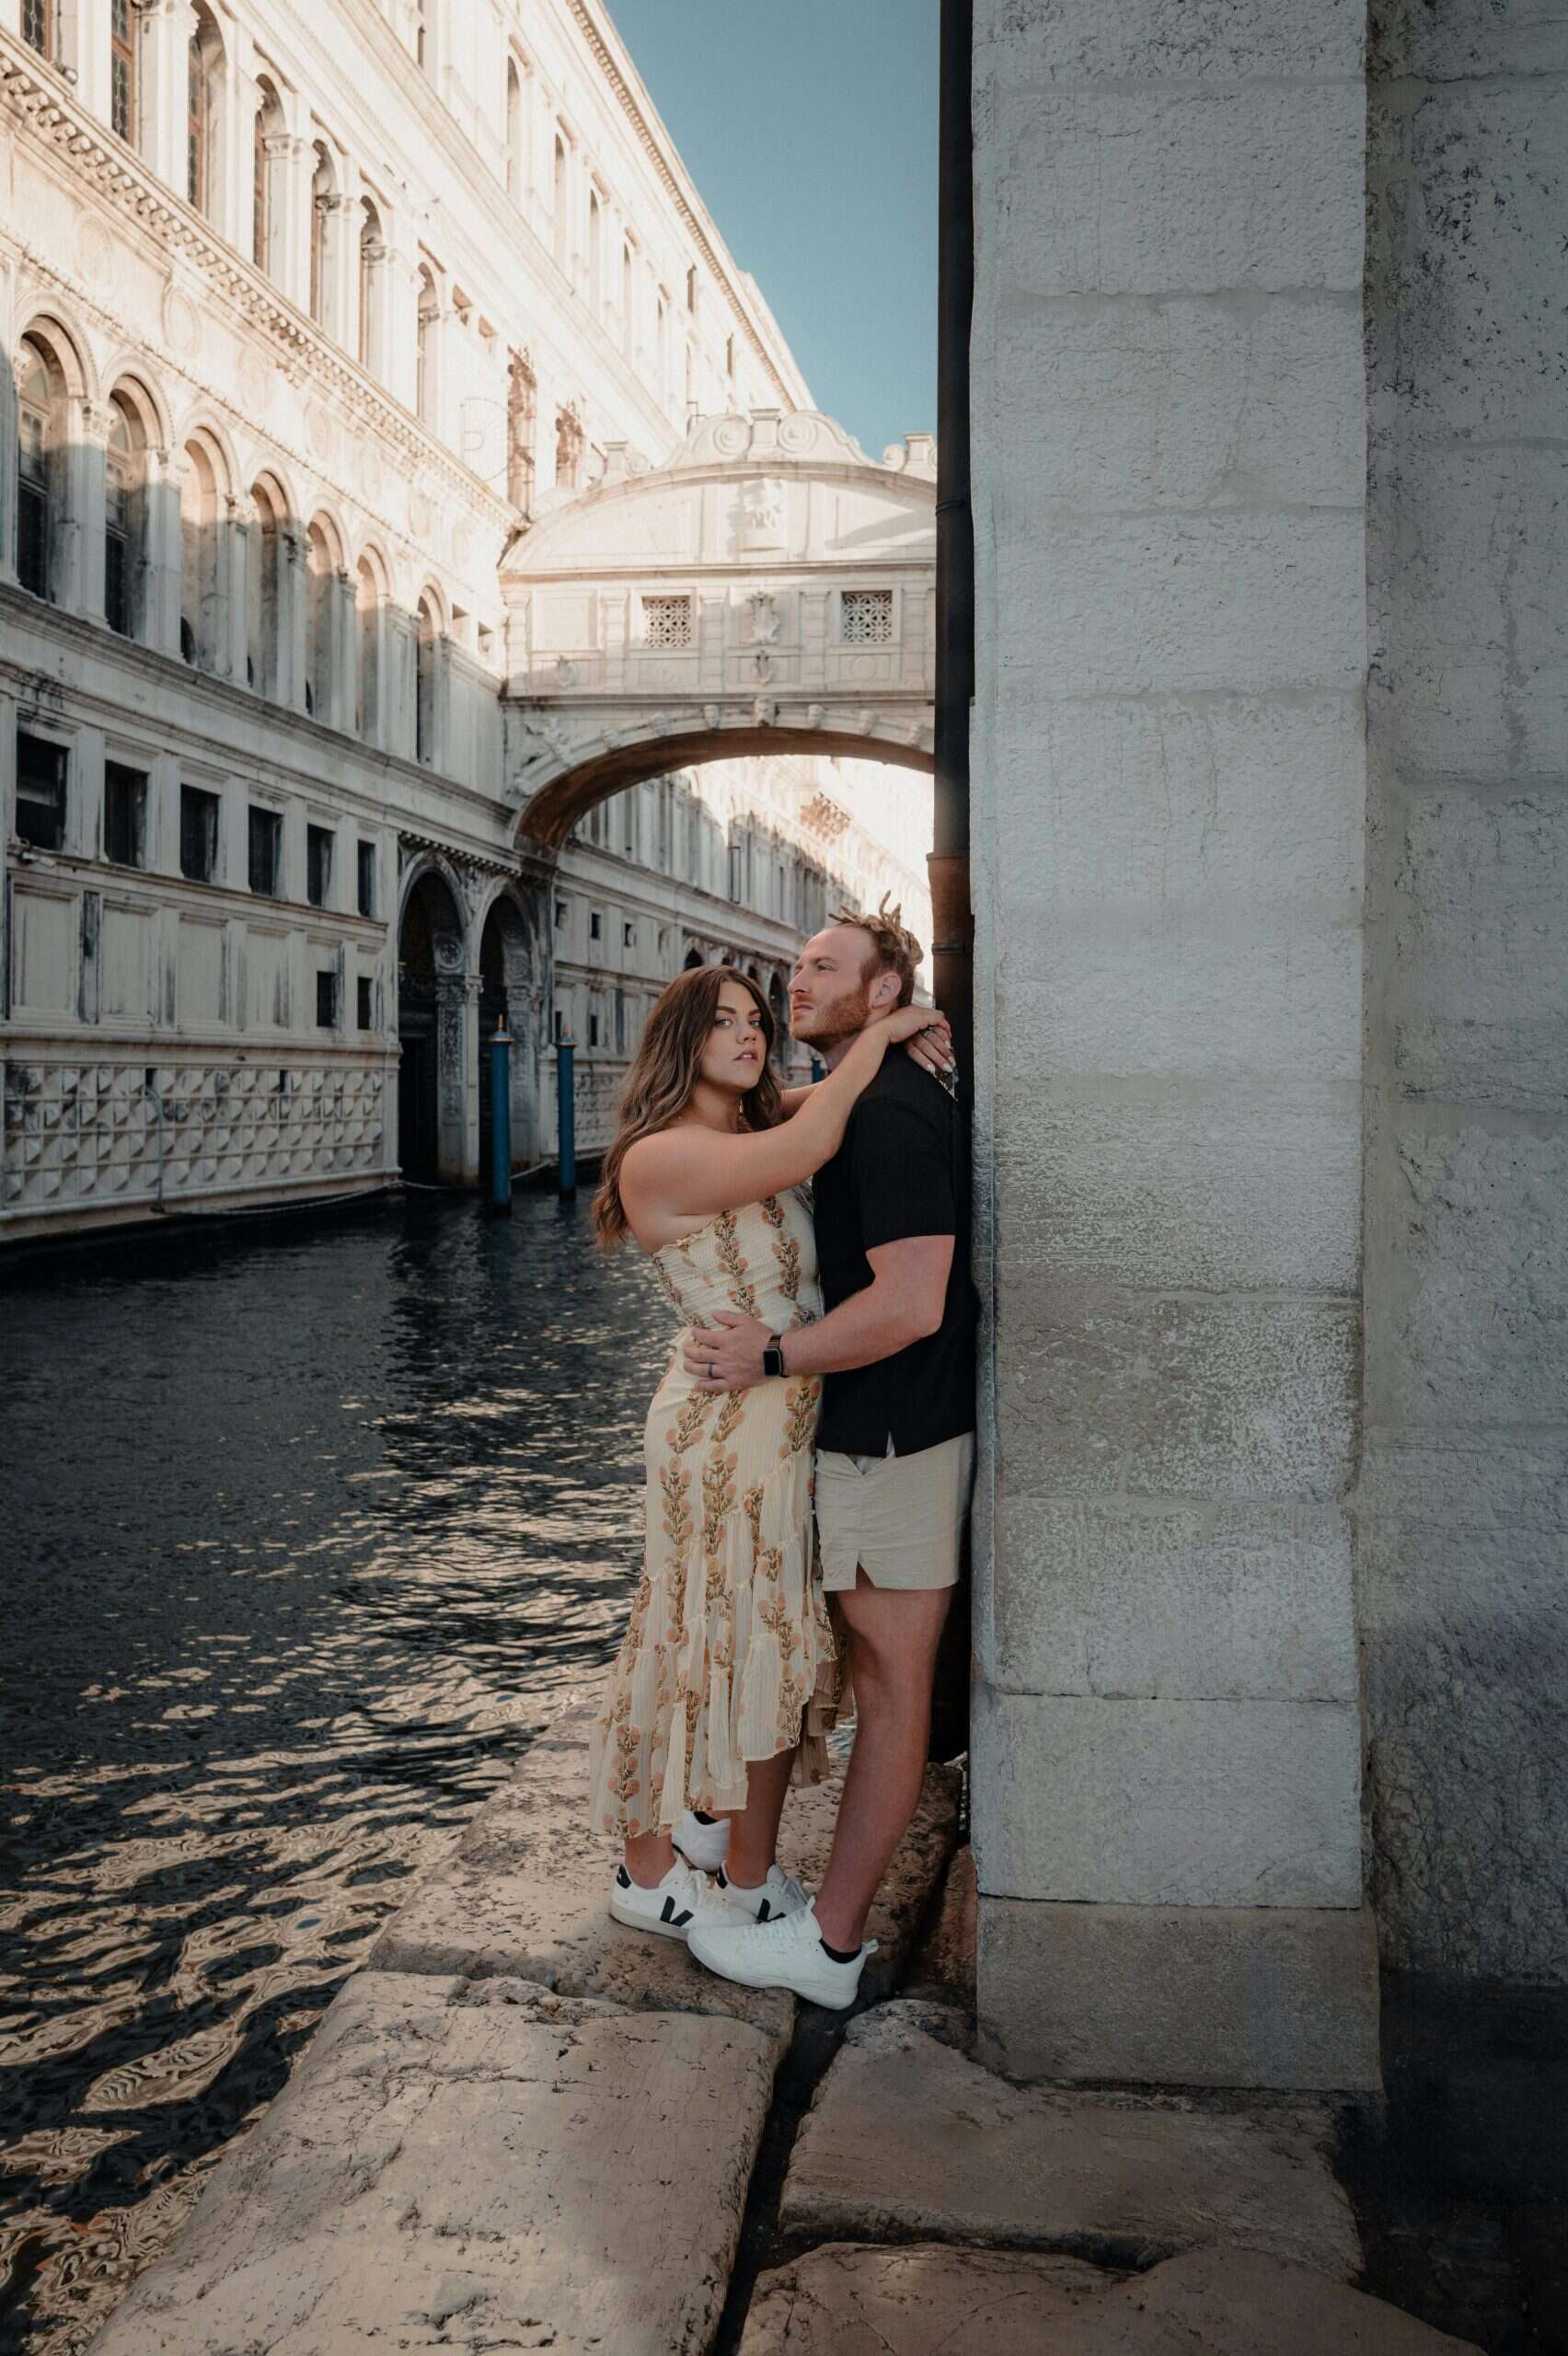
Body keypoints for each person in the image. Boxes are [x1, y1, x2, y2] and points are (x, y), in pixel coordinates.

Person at [583, 961, 951, 1942]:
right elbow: (822, 1128)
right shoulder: (658, 1158)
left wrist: (887, 1029)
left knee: (773, 1651)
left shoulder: (746, 1126)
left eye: (757, 1019)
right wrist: (891, 1025)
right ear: (680, 1041)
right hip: (716, 1429)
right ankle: (642, 1862)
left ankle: (746, 1873)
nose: (750, 1035)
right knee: (687, 1639)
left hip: (783, 1414)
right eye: (725, 1023)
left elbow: (818, 1102)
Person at [677, 903, 976, 2008]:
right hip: (885, 1431)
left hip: (892, 1433)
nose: (797, 982)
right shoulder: (869, 1094)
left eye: (824, 968)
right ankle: (797, 1905)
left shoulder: (891, 1117)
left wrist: (772, 1354)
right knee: (874, 1678)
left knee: (893, 1687)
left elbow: (909, 1302)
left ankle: (832, 1946)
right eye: (795, 966)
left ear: (883, 991)